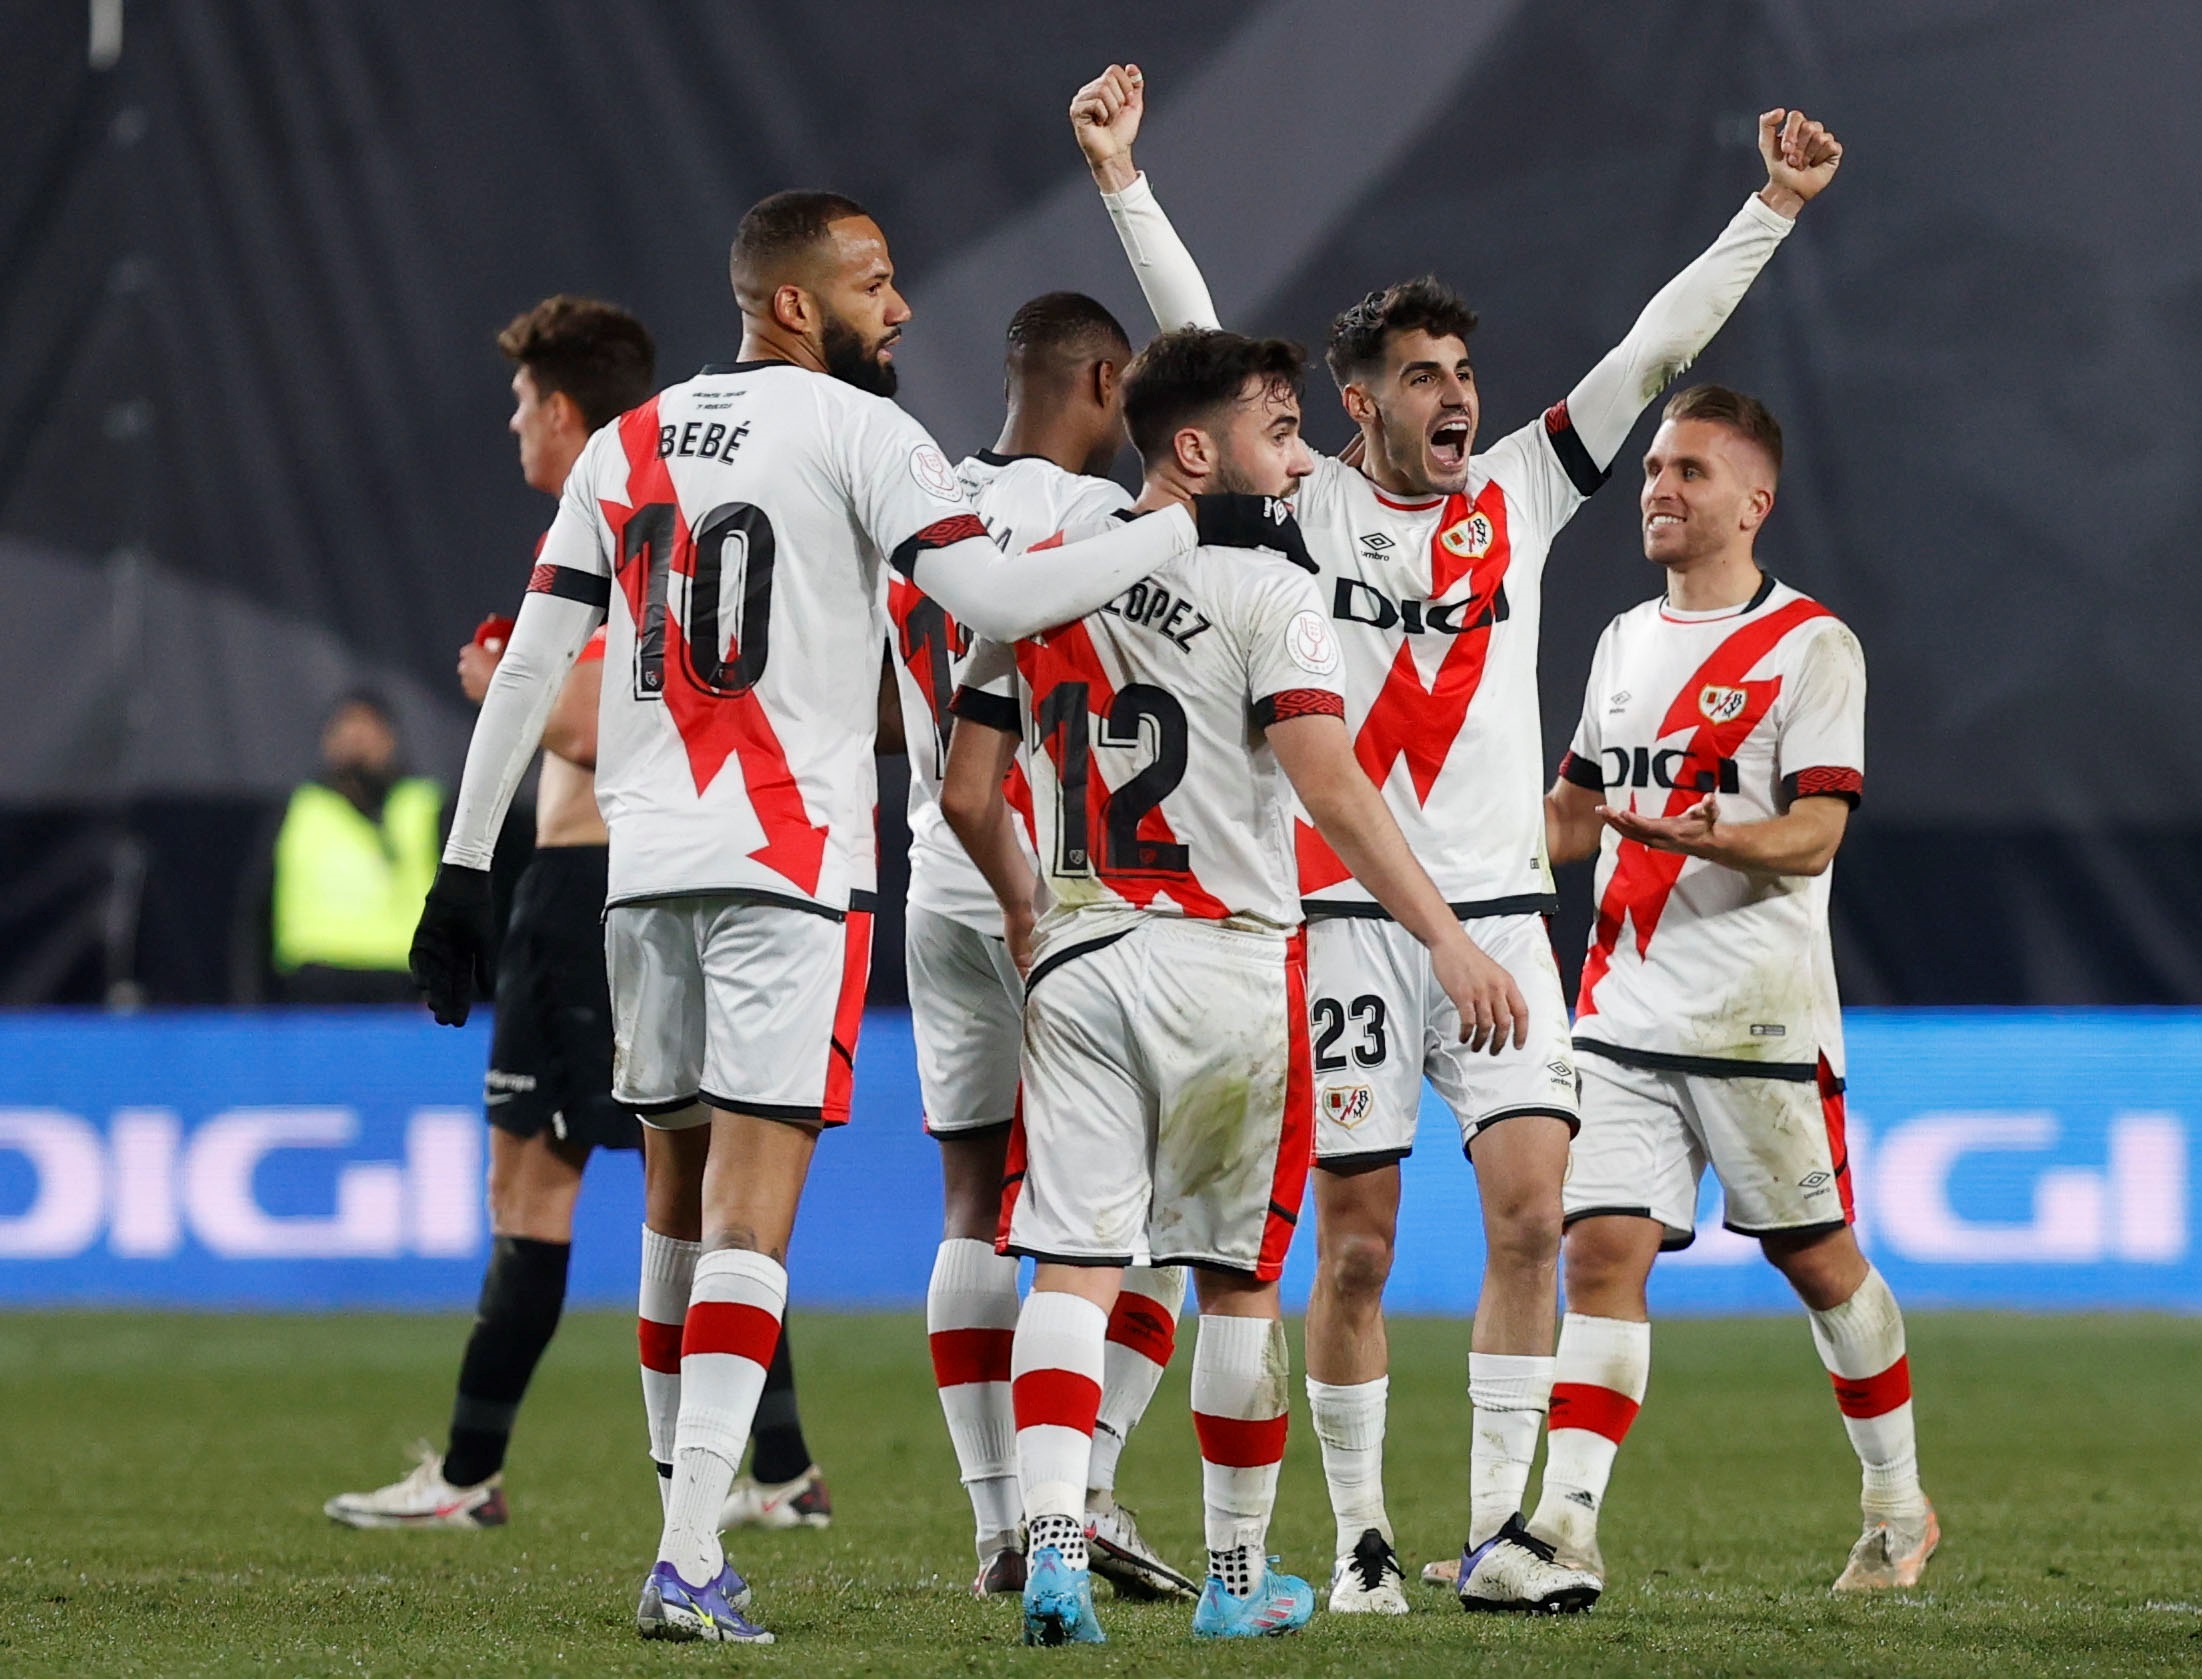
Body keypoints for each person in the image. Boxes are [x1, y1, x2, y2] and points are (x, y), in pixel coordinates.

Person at [406, 189, 1310, 1645]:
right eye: (873, 283)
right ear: (790, 302)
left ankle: (691, 1530)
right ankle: (690, 1553)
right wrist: (1175, 527)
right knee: (751, 1219)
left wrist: (463, 863)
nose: (898, 310)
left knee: (674, 1205)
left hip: (645, 863)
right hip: (789, 862)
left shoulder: (629, 441)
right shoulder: (862, 432)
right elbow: (998, 596)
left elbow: (532, 659)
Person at [1069, 62, 1842, 1611]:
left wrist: (1769, 207)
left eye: (1461, 371)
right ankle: (1358, 1538)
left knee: (1533, 1214)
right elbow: (1196, 334)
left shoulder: (1522, 489)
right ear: (1355, 400)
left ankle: (1496, 1532)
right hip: (1345, 917)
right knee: (1353, 1248)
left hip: (1499, 917)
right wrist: (1121, 183)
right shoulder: (1296, 509)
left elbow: (1651, 349)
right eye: (1421, 374)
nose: (1454, 395)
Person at [938, 326, 1528, 1645]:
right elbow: (1330, 783)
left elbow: (964, 788)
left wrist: (1027, 904)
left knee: (1073, 1265)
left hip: (1081, 956)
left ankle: (1049, 1550)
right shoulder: (1270, 589)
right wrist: (1444, 934)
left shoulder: (1042, 577)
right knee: (1237, 1279)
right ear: (1197, 450)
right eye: (1279, 431)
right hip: (1230, 964)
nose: (1301, 458)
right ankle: (1234, 1575)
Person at [326, 297, 825, 1533]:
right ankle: (780, 1469)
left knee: (539, 1190)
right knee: (700, 1190)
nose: (512, 426)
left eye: (519, 404)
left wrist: (509, 687)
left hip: (589, 891)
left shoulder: (618, 522)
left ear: (560, 410)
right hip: (659, 879)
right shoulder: (678, 511)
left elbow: (618, 723)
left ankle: (466, 1473)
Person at [1533, 384, 1935, 1593]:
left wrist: (1718, 838)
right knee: (1597, 1254)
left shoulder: (1810, 645)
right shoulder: (1619, 639)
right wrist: (1434, 854)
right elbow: (1571, 818)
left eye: (1689, 471)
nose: (1657, 488)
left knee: (1816, 1260)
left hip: (1754, 1018)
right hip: (1618, 1010)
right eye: (1653, 469)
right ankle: (1562, 1528)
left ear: (1754, 501)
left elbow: (1815, 833)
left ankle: (1896, 1504)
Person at [885, 290, 1192, 1600]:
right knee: (1156, 1205)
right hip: (1058, 893)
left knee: (970, 1201)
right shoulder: (1100, 526)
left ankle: (997, 1524)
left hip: (935, 877)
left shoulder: (920, 508)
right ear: (1105, 382)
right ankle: (1090, 1482)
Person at [267, 693, 441, 1004]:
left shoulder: (427, 806)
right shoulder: (299, 809)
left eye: (367, 732)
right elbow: (256, 911)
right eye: (346, 732)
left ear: (390, 740)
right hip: (316, 982)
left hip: (403, 982)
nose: (357, 744)